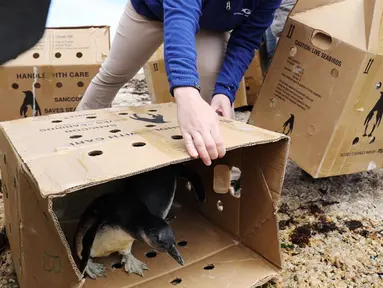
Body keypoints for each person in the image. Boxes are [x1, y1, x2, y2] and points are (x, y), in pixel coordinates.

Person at [76, 0, 282, 166]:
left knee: (213, 92)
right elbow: (181, 14)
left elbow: (246, 39)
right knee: (114, 74)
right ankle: (75, 143)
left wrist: (225, 90)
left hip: (208, 24)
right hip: (150, 11)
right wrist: (186, 93)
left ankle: (212, 165)